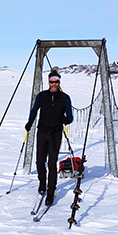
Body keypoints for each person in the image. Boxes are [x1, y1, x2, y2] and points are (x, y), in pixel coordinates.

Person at [25, 70, 74, 206]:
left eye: (56, 82)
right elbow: (34, 110)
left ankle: (51, 191)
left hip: (56, 133)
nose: (54, 84)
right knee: (40, 162)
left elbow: (70, 117)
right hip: (42, 132)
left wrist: (66, 120)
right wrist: (30, 122)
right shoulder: (42, 96)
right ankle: (42, 183)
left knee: (52, 163)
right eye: (52, 82)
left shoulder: (65, 98)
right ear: (48, 82)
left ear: (59, 83)